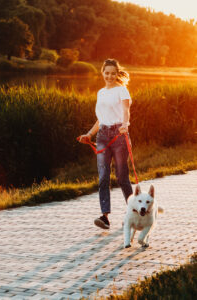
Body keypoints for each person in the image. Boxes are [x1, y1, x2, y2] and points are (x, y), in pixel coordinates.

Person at [78, 58, 133, 229]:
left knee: (122, 177)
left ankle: (134, 213)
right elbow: (100, 119)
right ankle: (105, 217)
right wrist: (88, 134)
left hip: (119, 134)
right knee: (103, 177)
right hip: (102, 136)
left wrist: (125, 124)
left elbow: (126, 110)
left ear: (117, 74)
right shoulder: (101, 92)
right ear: (102, 72)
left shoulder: (122, 90)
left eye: (113, 73)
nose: (109, 76)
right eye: (107, 73)